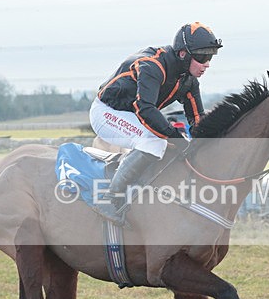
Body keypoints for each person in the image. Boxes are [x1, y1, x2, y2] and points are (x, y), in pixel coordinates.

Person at [89, 22, 223, 224]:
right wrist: (176, 138)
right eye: (202, 57)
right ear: (182, 54)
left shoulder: (189, 81)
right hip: (107, 112)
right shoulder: (152, 66)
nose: (207, 64)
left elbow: (198, 123)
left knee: (168, 141)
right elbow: (146, 109)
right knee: (154, 142)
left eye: (210, 57)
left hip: (130, 115)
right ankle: (109, 199)